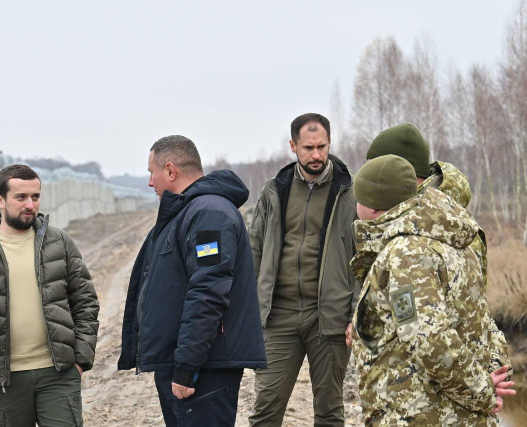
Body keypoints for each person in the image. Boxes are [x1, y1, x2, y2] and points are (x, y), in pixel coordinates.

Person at [350, 154, 516, 425]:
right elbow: (483, 322)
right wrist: (494, 372)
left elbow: (427, 338)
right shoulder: (453, 240)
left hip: (421, 416)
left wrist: (483, 392)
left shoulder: (406, 253)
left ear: (371, 206)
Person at [118, 135, 266, 427]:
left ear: (170, 171)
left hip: (204, 367)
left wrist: (187, 366)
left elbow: (208, 292)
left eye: (152, 172)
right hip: (187, 361)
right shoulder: (187, 211)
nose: (150, 182)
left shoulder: (209, 214)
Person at [0, 164, 99, 426]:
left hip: (58, 375)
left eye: (35, 197)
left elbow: (85, 303)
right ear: (0, 200)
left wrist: (80, 360)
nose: (30, 204)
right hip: (3, 380)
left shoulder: (59, 242)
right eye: (21, 197)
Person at [366, 123, 512, 382]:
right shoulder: (422, 218)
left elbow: (440, 330)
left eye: (374, 169)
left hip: (433, 390)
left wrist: (484, 385)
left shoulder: (434, 228)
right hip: (437, 383)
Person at [248, 113, 358, 426]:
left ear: (330, 143)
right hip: (278, 316)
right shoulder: (274, 190)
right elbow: (254, 250)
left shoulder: (351, 193)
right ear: (293, 146)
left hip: (330, 317)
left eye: (322, 146)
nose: (316, 155)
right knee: (265, 410)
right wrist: (247, 307)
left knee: (329, 412)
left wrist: (356, 313)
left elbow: (364, 259)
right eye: (308, 148)